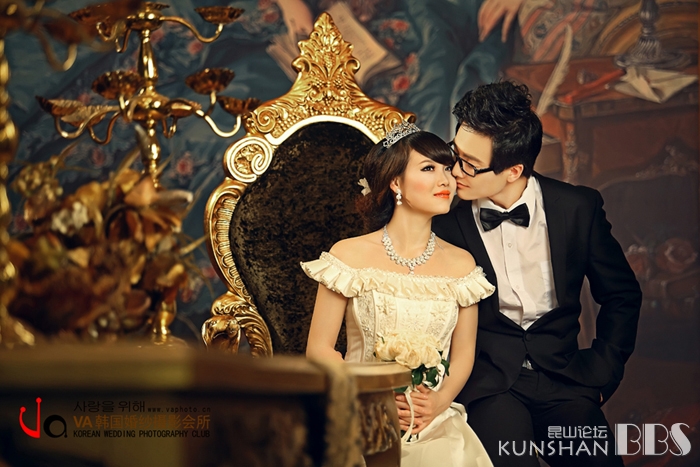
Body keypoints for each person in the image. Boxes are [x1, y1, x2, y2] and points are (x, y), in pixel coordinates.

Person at [433, 81, 642, 467]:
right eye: (455, 154)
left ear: (514, 170)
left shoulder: (577, 208)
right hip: (488, 385)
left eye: (470, 164)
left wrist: (604, 370)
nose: (455, 172)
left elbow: (622, 295)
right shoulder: (443, 220)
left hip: (566, 377)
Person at [302, 121, 495, 466]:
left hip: (431, 422)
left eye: (448, 169)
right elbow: (319, 348)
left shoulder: (462, 264)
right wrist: (367, 400)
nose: (446, 180)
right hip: (358, 413)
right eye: (429, 168)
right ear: (395, 182)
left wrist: (437, 402)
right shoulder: (348, 255)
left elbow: (464, 355)